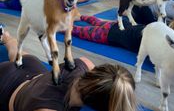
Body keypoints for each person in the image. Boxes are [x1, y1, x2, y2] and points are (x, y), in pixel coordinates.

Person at [0, 28, 136, 111]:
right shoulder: (49, 108)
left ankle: (6, 36)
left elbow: (104, 80)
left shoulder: (84, 64)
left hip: (35, 71)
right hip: (7, 83)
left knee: (14, 47)